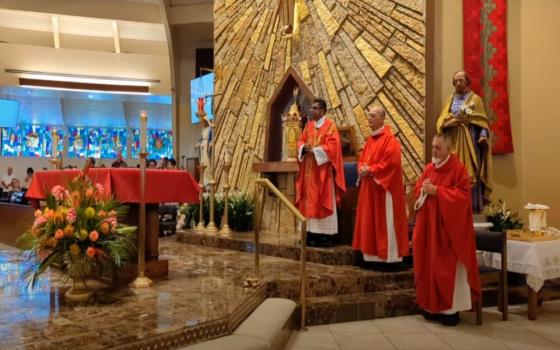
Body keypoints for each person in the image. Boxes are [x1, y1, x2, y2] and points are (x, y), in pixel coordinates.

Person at [413, 134, 481, 326]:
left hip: (448, 232)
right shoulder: (429, 168)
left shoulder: (458, 170)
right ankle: (430, 308)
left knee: (447, 269)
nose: (433, 151)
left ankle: (450, 312)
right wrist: (422, 190)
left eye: (438, 148)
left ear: (449, 150)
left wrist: (439, 192)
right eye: (433, 147)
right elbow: (419, 188)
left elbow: (462, 198)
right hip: (429, 230)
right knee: (428, 266)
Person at [352, 107, 409, 268]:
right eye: (369, 116)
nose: (369, 118)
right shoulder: (370, 140)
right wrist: (362, 168)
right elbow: (362, 160)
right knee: (369, 222)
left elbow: (392, 163)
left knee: (385, 222)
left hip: (384, 190)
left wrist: (371, 170)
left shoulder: (390, 140)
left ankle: (388, 258)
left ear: (383, 118)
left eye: (373, 116)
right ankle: (370, 257)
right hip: (369, 189)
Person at [436, 70, 492, 212]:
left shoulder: (475, 99)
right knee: (452, 171)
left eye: (461, 80)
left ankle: (471, 207)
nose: (458, 83)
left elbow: (482, 122)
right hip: (452, 142)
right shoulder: (450, 99)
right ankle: (452, 206)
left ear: (467, 82)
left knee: (468, 172)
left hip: (469, 142)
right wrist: (446, 123)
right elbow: (441, 120)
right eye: (455, 81)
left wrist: (483, 136)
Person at [295, 98, 346, 247]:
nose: (312, 111)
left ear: (323, 110)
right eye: (311, 108)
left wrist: (315, 151)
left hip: (322, 173)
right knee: (308, 202)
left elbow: (333, 146)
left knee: (322, 200)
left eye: (315, 108)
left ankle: (324, 236)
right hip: (308, 173)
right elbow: (300, 140)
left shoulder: (330, 126)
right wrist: (303, 148)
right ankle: (309, 233)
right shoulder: (309, 126)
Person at [195, 116, 213, 186]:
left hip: (207, 147)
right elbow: (200, 139)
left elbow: (212, 138)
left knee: (207, 163)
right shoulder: (203, 129)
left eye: (203, 122)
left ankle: (208, 180)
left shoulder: (210, 129)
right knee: (202, 163)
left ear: (206, 121)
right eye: (201, 122)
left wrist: (210, 144)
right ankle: (203, 181)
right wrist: (197, 144)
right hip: (202, 148)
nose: (202, 123)